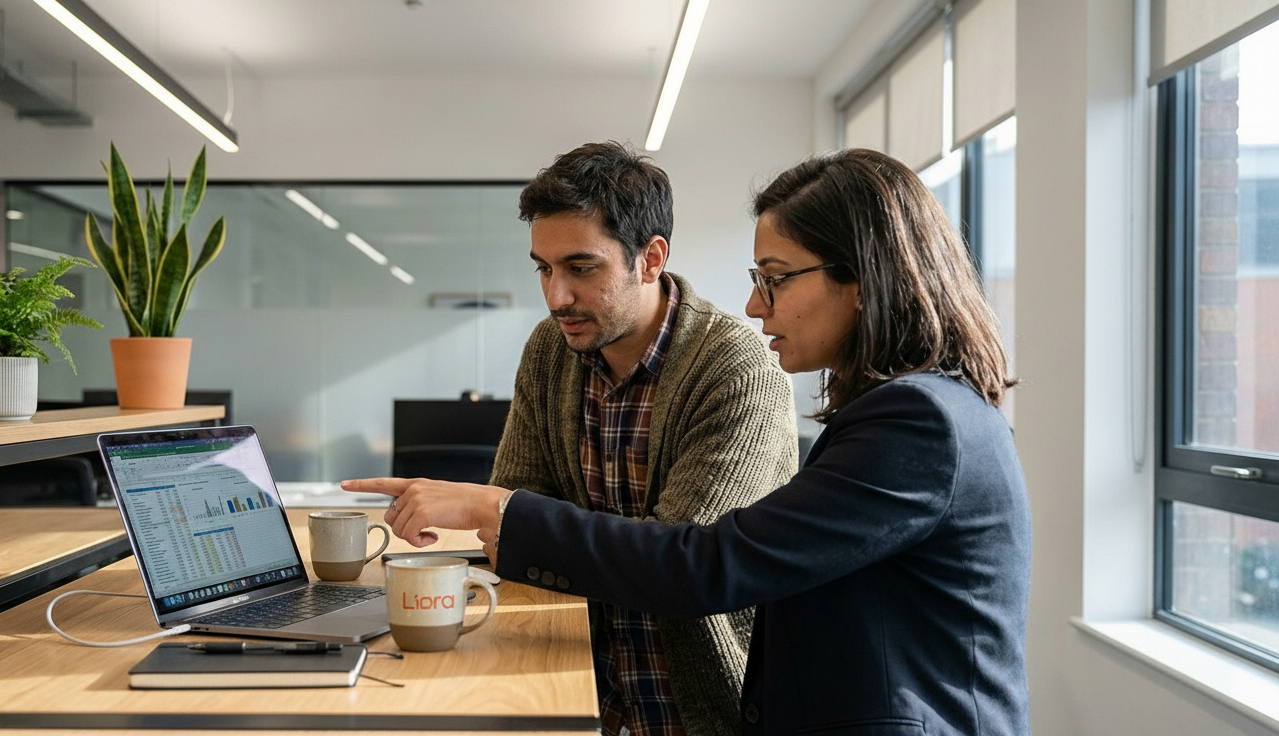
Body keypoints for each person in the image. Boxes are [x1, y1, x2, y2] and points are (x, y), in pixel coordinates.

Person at [346, 147, 1031, 736]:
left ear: (861, 278)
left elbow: (704, 565)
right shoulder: (917, 410)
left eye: (776, 278)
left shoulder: (919, 424)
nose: (758, 304)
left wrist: (496, 510)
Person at [477, 141, 798, 736]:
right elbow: (513, 518)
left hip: (707, 710)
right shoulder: (551, 351)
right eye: (543, 269)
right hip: (581, 692)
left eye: (581, 268)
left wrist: (511, 515)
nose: (556, 298)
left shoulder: (736, 367)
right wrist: (510, 516)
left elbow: (684, 565)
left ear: (650, 259)